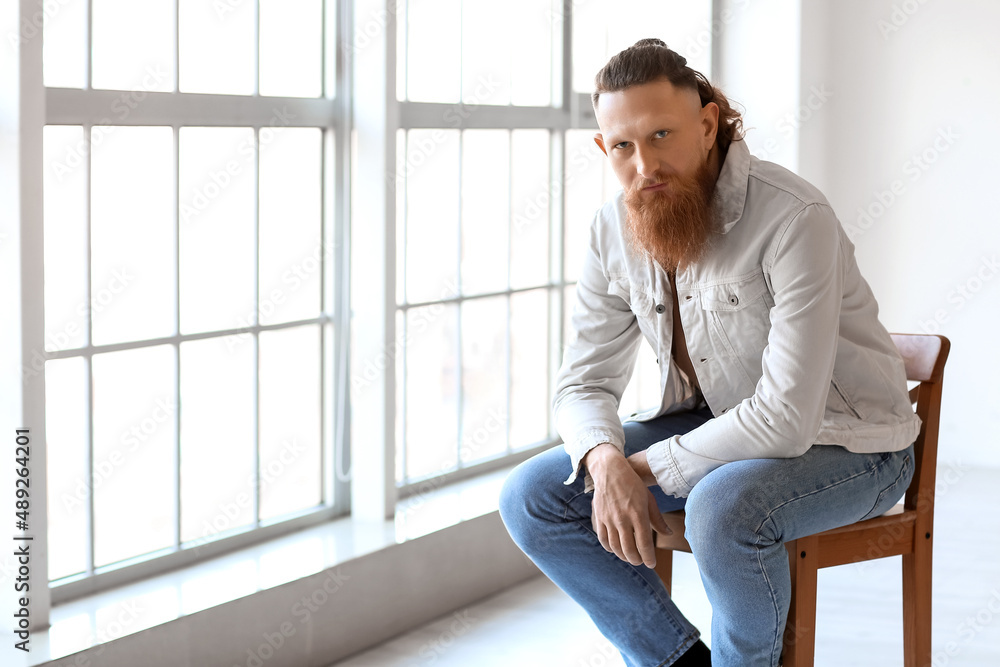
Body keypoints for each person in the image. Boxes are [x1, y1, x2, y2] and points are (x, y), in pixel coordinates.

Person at [499, 38, 921, 667]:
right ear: (603, 149)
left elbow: (785, 419)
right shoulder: (612, 229)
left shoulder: (795, 217)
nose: (645, 164)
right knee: (534, 495)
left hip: (854, 445)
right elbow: (580, 384)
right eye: (623, 146)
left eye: (662, 134)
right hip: (718, 424)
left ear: (706, 124)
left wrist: (632, 472)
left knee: (723, 509)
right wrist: (602, 457)